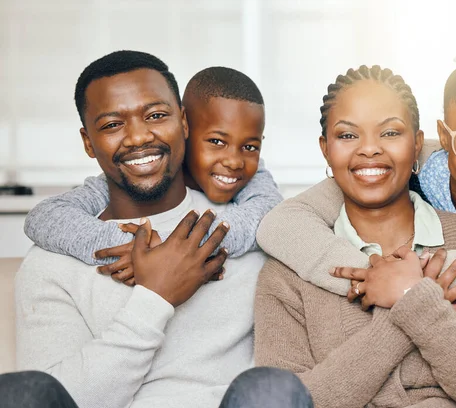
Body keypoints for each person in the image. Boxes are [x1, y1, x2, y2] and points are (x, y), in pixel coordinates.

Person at [257, 22, 456, 407]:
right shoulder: (290, 268)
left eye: (391, 133)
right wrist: (404, 292)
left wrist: (417, 282)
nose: (370, 149)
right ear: (442, 140)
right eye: (348, 135)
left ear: (414, 143)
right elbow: (286, 400)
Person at [11, 50, 307, 408]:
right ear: (88, 142)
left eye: (155, 115)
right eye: (111, 124)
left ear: (184, 123)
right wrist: (156, 297)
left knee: (273, 387)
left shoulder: (252, 227)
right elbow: (55, 398)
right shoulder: (52, 261)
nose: (137, 137)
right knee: (20, 393)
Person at [23, 66, 283, 282]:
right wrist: (139, 252)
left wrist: (171, 252)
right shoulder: (146, 169)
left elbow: (270, 214)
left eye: (250, 146)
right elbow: (45, 216)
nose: (233, 160)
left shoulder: (252, 172)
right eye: (216, 141)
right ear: (183, 128)